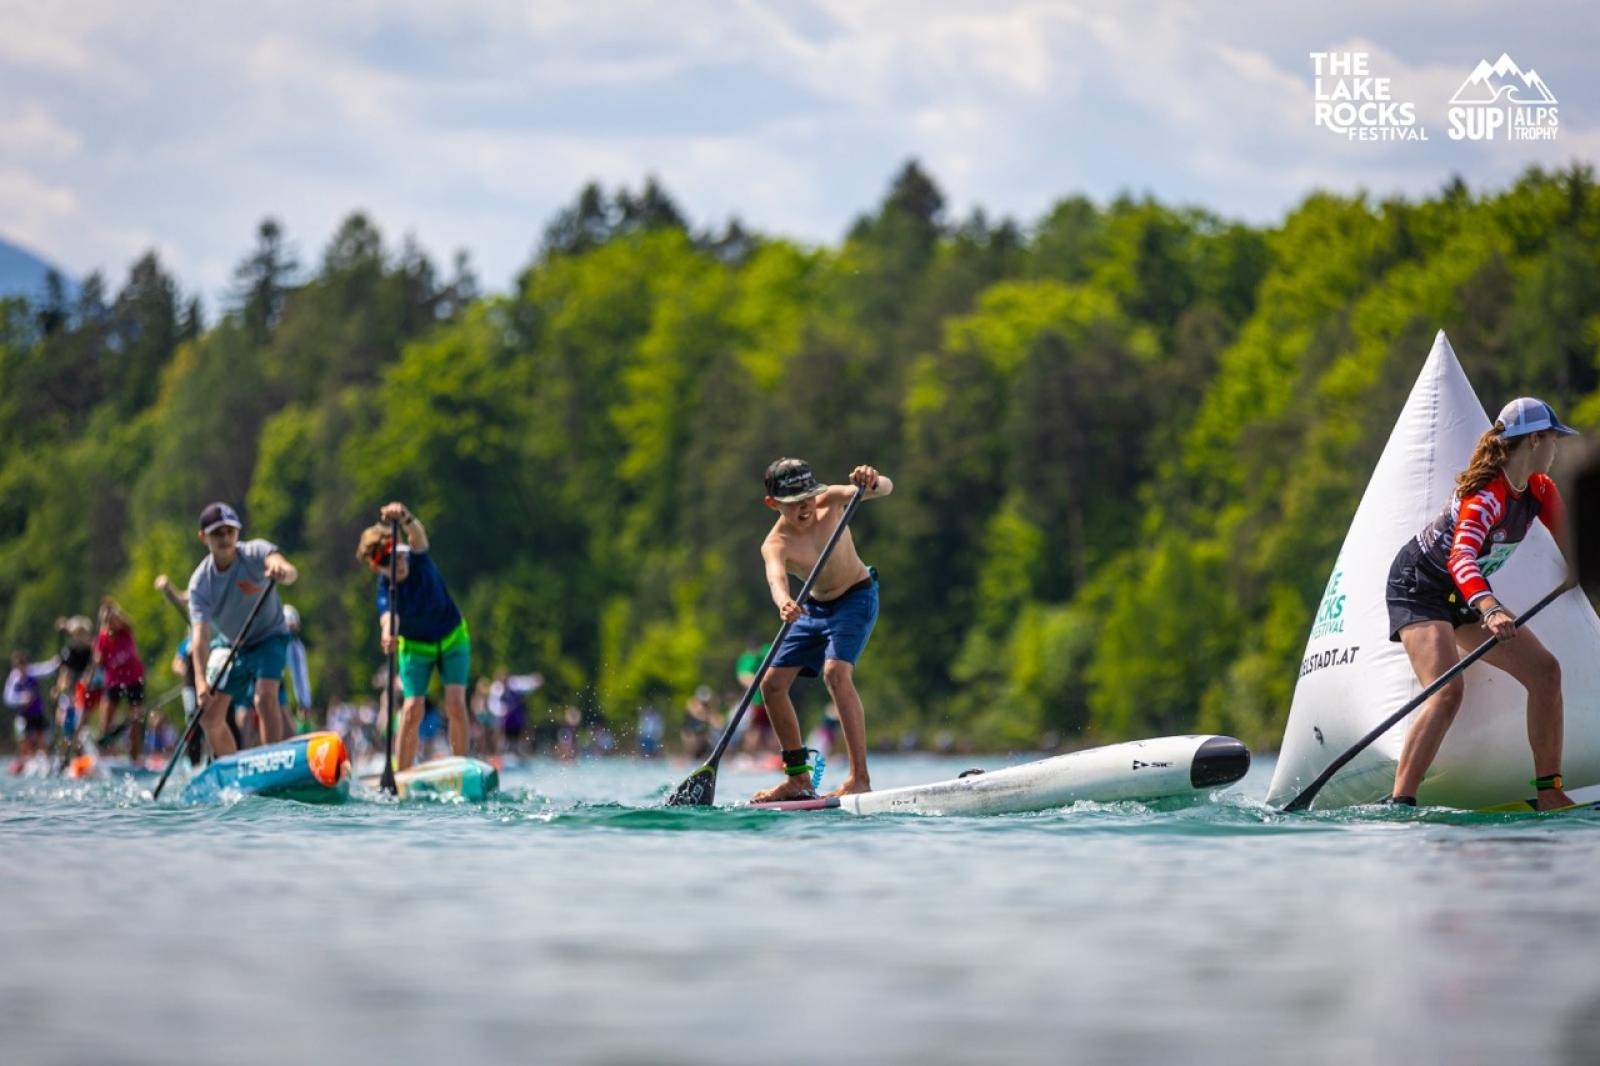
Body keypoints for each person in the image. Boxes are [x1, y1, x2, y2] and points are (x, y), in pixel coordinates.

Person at [1385, 397, 1578, 810]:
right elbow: (1460, 558)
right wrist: (1490, 609)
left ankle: (1549, 791)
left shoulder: (1540, 490)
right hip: (1420, 586)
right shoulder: (1485, 498)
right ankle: (1401, 802)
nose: (1556, 449)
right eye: (1553, 440)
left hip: (1463, 592)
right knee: (1447, 691)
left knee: (1546, 672)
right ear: (1534, 441)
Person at [750, 459, 892, 803]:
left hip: (856, 597)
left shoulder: (830, 498)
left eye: (808, 496)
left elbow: (885, 487)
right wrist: (784, 601)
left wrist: (871, 479)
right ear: (773, 504)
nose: (805, 506)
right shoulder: (776, 543)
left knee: (836, 673)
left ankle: (860, 778)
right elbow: (776, 577)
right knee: (770, 684)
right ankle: (797, 778)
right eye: (795, 501)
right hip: (813, 608)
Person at [356, 501, 470, 771]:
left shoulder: (416, 558)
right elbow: (388, 618)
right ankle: (401, 775)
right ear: (376, 568)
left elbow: (417, 535)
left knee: (454, 703)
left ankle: (462, 767)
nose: (395, 564)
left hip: (453, 639)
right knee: (411, 709)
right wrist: (387, 635)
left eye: (393, 555)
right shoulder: (385, 589)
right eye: (385, 562)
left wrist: (405, 517)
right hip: (416, 648)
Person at [186, 502, 298, 757]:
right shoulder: (200, 583)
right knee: (209, 717)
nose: (225, 538)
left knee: (264, 697)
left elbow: (289, 570)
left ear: (238, 533)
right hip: (232, 645)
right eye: (217, 533)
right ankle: (230, 771)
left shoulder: (255, 552)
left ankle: (273, 758)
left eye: (230, 531)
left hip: (270, 636)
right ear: (203, 538)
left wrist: (282, 571)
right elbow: (200, 637)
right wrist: (201, 682)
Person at [91, 597, 146, 761]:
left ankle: (134, 758)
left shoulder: (126, 630)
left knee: (135, 721)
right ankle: (105, 756)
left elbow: (124, 620)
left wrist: (114, 612)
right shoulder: (102, 639)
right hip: (114, 682)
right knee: (105, 721)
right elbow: (97, 661)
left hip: (134, 680)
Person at [6, 651, 56, 764]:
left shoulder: (31, 672)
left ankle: (45, 761)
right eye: (19, 666)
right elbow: (8, 698)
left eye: (23, 665)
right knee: (24, 740)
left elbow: (46, 669)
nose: (22, 669)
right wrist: (21, 698)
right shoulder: (14, 679)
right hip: (24, 716)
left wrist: (58, 661)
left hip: (37, 713)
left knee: (41, 739)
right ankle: (26, 761)